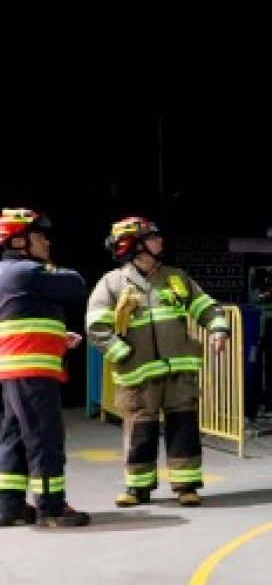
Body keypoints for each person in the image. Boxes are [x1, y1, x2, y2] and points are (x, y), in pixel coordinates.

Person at [86, 217, 230, 507]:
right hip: (138, 377)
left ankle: (186, 486)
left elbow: (206, 307)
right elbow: (96, 328)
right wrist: (122, 355)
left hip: (179, 372)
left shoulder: (176, 278)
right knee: (141, 430)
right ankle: (137, 488)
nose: (160, 242)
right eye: (153, 238)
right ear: (136, 246)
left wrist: (218, 328)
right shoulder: (112, 284)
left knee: (184, 426)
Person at [0, 208, 91, 527]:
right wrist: (50, 269)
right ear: (20, 240)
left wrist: (56, 337)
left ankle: (9, 506)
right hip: (33, 372)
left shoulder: (7, 274)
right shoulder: (26, 272)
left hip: (15, 371)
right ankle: (51, 506)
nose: (46, 242)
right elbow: (75, 284)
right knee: (44, 438)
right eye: (40, 236)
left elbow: (21, 320)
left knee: (14, 439)